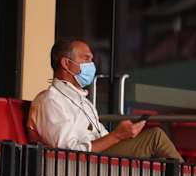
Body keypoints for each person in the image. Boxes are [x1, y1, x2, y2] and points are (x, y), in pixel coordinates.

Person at [26, 39, 183, 161]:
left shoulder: (84, 102)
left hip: (102, 160)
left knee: (162, 160)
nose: (92, 65)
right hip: (83, 166)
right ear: (66, 63)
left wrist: (127, 135)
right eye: (86, 58)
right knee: (155, 137)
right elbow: (68, 152)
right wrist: (117, 136)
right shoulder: (50, 100)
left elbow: (103, 138)